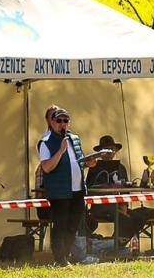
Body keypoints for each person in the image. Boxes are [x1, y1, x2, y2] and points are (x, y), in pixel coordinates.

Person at [37, 105, 104, 266]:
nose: (62, 124)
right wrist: (60, 151)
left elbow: (77, 163)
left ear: (69, 122)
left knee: (73, 225)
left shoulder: (75, 139)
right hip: (60, 191)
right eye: (59, 120)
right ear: (52, 122)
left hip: (78, 189)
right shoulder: (46, 142)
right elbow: (47, 167)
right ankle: (59, 258)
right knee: (60, 224)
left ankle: (65, 256)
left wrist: (88, 163)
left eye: (65, 120)